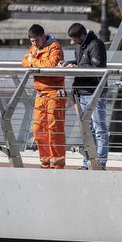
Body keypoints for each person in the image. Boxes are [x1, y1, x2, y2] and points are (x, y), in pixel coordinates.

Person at [64, 22, 109, 170]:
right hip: (82, 92)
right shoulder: (80, 46)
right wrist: (69, 64)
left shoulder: (96, 44)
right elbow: (81, 63)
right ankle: (87, 163)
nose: (73, 42)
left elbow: (98, 68)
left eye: (75, 39)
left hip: (95, 92)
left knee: (99, 129)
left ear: (82, 36)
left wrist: (78, 67)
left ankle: (100, 163)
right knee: (87, 130)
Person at [21, 23, 67, 169]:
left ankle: (57, 163)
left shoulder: (54, 46)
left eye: (36, 41)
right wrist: (36, 63)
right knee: (38, 129)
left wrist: (33, 61)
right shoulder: (34, 48)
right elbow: (24, 62)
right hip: (40, 93)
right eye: (32, 42)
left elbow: (51, 65)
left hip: (54, 92)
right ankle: (45, 161)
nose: (35, 44)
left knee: (54, 128)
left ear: (43, 36)